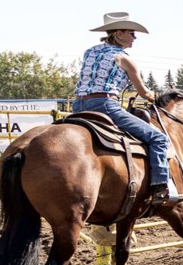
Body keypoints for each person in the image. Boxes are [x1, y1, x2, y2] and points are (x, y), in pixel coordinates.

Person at [73, 12, 171, 206]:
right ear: (119, 33)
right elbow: (144, 92)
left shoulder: (89, 52)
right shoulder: (124, 59)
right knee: (159, 138)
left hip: (78, 105)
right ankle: (160, 186)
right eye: (132, 33)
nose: (135, 37)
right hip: (105, 105)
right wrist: (154, 96)